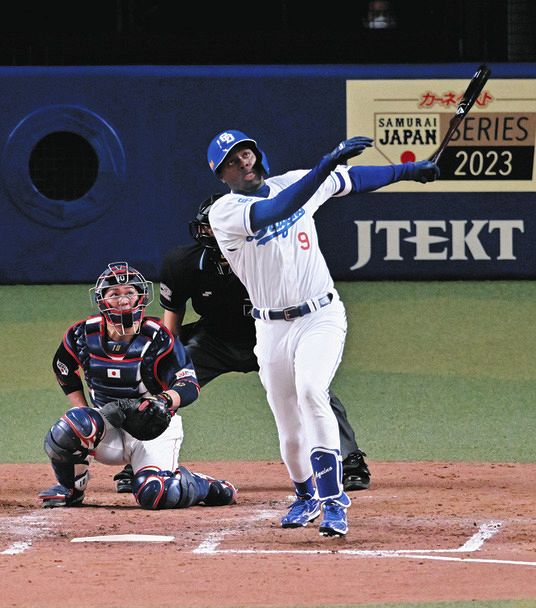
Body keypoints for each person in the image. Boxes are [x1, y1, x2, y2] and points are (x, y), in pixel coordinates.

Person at [206, 129, 439, 536]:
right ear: (221, 174)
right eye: (231, 161)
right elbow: (277, 210)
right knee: (288, 426)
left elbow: (352, 179)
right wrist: (324, 164)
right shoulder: (225, 212)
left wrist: (409, 170)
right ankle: (305, 495)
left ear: (257, 155)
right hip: (270, 328)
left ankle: (334, 502)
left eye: (246, 153)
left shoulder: (296, 181)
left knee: (313, 391)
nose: (242, 163)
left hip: (321, 316)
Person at [112, 195, 371, 494]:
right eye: (210, 227)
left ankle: (349, 460)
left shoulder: (272, 258)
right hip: (214, 342)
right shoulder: (182, 264)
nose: (215, 233)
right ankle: (141, 462)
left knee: (311, 388)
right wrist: (163, 363)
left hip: (272, 336)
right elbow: (172, 323)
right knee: (162, 384)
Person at [38, 261, 237, 510]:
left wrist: (162, 402)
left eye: (129, 293)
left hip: (154, 427)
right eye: (114, 294)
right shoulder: (82, 334)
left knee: (157, 494)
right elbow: (63, 367)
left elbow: (188, 384)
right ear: (102, 300)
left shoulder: (159, 337)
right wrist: (84, 410)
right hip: (108, 426)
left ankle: (203, 485)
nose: (123, 300)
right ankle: (71, 490)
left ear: (140, 297)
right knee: (71, 426)